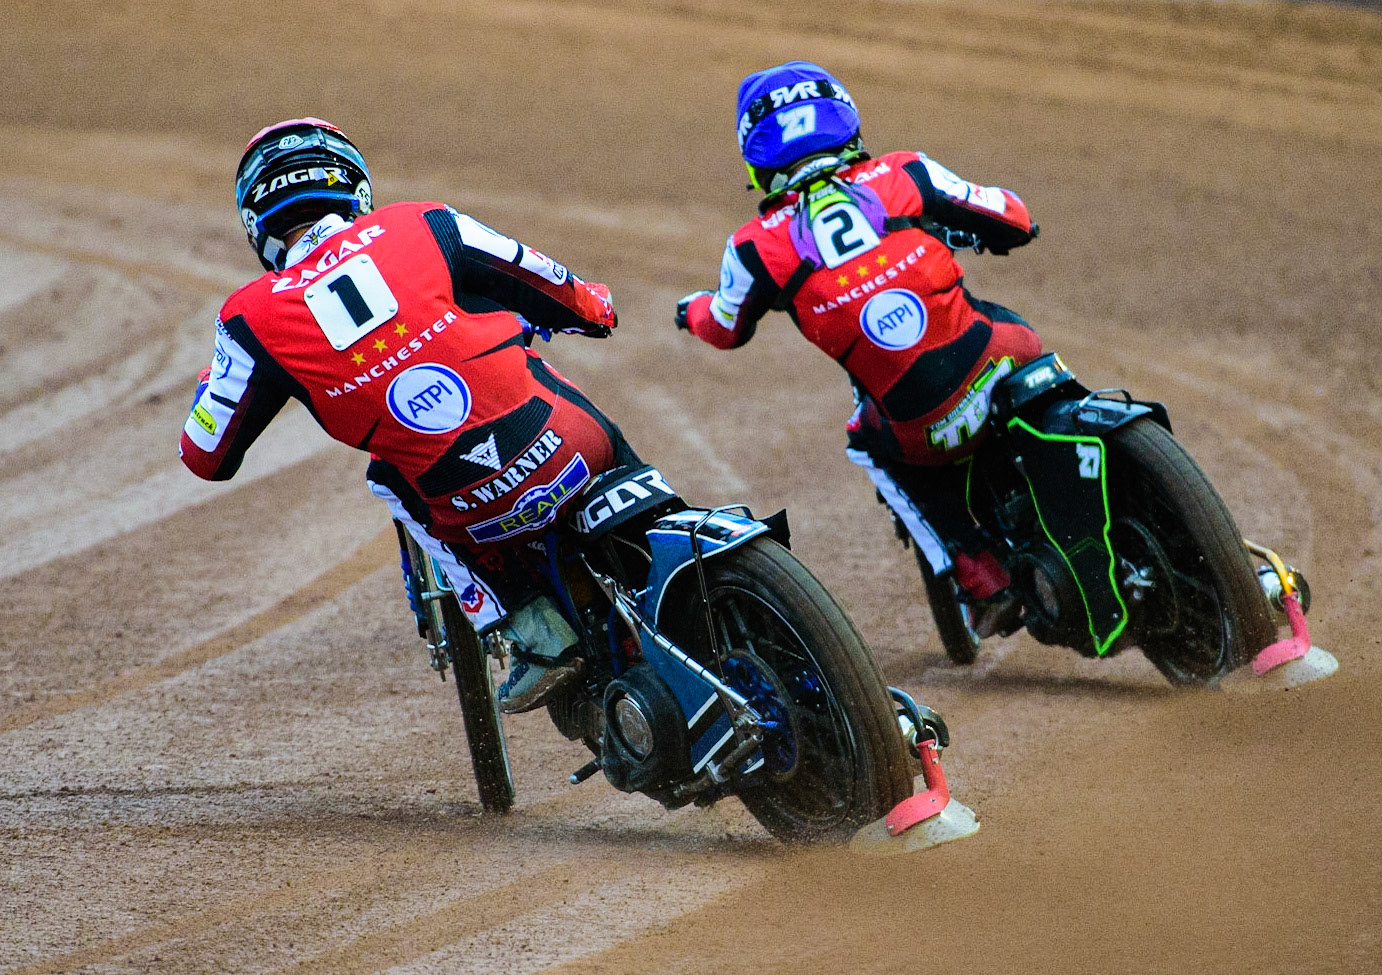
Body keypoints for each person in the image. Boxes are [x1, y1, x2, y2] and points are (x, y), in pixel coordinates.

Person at [181, 117, 639, 712]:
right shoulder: (424, 220)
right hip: (573, 445)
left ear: (257, 226)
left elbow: (204, 455)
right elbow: (563, 288)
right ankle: (682, 534)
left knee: (388, 476)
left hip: (464, 503)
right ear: (355, 188)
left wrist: (212, 382)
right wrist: (597, 310)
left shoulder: (248, 319)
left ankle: (532, 629)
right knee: (544, 380)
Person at [675, 61, 1042, 637]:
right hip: (1003, 357)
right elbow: (1013, 219)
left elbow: (723, 327)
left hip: (922, 424)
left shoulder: (753, 249)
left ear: (756, 158)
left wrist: (688, 311)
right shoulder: (904, 172)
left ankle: (978, 578)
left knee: (866, 440)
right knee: (1017, 334)